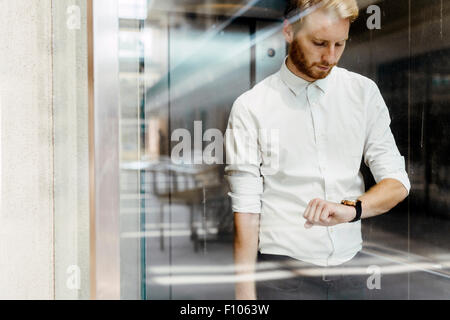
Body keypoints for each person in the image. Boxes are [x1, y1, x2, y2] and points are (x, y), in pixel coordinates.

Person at [224, 0, 411, 300]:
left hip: (351, 273)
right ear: (289, 31)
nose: (330, 56)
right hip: (284, 278)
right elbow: (246, 212)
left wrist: (351, 209)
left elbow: (398, 183)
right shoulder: (251, 107)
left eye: (340, 44)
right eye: (319, 43)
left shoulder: (363, 94)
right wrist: (244, 298)